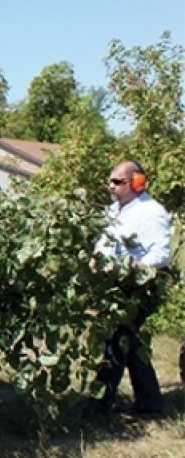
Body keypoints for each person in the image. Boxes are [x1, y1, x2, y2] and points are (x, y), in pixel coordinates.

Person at [84, 160, 171, 417]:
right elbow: (105, 241)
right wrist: (96, 257)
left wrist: (133, 266)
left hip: (140, 288)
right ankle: (150, 403)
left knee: (117, 342)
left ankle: (98, 405)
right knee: (130, 344)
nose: (111, 186)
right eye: (110, 181)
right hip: (116, 286)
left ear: (137, 182)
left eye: (118, 182)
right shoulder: (114, 210)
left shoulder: (151, 212)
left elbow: (161, 255)